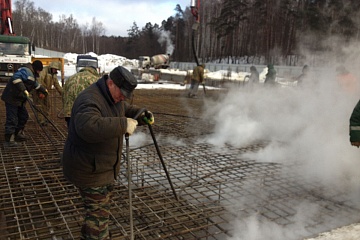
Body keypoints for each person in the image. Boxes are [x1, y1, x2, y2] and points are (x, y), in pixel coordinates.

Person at [62, 66, 154, 240]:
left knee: (96, 211)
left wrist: (140, 115)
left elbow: (123, 108)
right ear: (110, 82)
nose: (122, 98)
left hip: (101, 167)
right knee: (98, 216)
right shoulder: (89, 99)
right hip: (89, 170)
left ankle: (92, 232)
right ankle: (96, 234)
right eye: (121, 93)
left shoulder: (111, 96)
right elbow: (87, 127)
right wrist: (122, 124)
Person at [1, 60, 48, 146]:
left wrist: (43, 90)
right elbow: (15, 78)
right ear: (36, 68)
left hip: (19, 99)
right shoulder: (25, 70)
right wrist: (23, 90)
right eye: (39, 70)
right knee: (12, 118)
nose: (39, 72)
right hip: (12, 97)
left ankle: (17, 134)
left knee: (23, 116)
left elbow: (34, 84)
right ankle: (9, 140)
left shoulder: (31, 74)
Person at [33, 61, 63, 126]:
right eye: (54, 69)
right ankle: (41, 121)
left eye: (56, 69)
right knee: (40, 106)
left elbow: (56, 84)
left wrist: (62, 93)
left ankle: (46, 119)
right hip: (39, 91)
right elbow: (39, 81)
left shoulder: (53, 74)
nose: (55, 70)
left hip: (46, 91)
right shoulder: (44, 71)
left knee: (47, 105)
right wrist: (41, 91)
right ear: (51, 67)